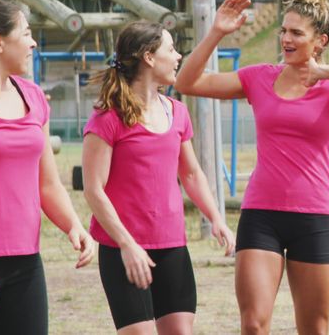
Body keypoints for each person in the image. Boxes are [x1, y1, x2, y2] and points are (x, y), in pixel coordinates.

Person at [174, 0, 329, 335]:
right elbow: (187, 83)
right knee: (253, 324)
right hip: (262, 216)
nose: (286, 39)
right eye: (284, 31)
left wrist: (324, 72)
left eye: (297, 33)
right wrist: (216, 32)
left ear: (320, 41)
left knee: (313, 328)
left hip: (316, 217)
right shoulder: (259, 77)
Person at [82, 20, 236, 334]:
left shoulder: (177, 111)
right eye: (171, 49)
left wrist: (216, 217)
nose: (178, 56)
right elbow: (93, 190)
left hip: (171, 246)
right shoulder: (107, 117)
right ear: (149, 57)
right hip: (123, 249)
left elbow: (191, 173)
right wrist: (127, 244)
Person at [0, 0, 94, 335]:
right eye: (27, 33)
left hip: (26, 263)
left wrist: (73, 224)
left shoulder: (33, 97)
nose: (33, 42)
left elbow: (47, 183)